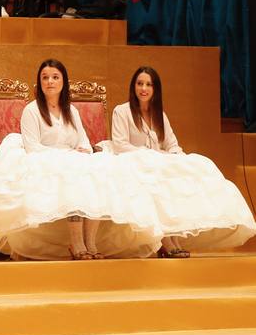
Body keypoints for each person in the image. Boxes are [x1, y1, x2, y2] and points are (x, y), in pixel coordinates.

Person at [0, 59, 161, 260]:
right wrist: (66, 155)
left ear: (63, 82)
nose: (50, 82)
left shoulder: (71, 111)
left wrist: (81, 151)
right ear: (39, 82)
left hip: (72, 158)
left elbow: (83, 141)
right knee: (73, 175)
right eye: (45, 78)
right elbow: (32, 147)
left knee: (100, 170)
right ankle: (76, 242)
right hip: (44, 159)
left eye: (55, 77)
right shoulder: (32, 110)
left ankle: (90, 242)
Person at [109, 66, 255, 256]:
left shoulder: (159, 114)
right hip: (134, 163)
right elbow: (120, 145)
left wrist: (176, 157)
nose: (143, 88)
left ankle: (174, 235)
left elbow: (172, 144)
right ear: (133, 86)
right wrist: (150, 155)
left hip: (158, 165)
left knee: (190, 170)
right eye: (140, 83)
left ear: (155, 89)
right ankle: (166, 241)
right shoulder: (122, 111)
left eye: (148, 84)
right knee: (155, 185)